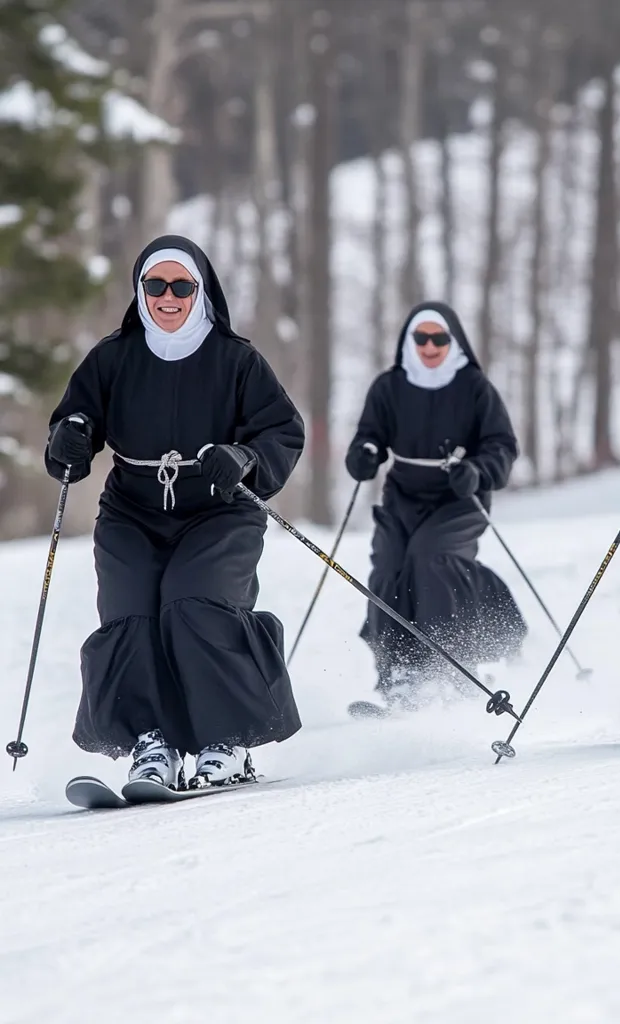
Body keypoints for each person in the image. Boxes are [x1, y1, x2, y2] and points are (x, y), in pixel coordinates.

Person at [44, 234, 305, 788]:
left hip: (219, 508)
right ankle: (151, 743)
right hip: (132, 508)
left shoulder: (237, 359)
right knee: (129, 611)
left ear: (200, 290)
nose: (168, 297)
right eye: (155, 285)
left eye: (181, 286)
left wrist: (245, 457)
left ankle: (226, 743)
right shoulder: (112, 357)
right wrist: (70, 438)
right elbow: (75, 423)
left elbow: (281, 430)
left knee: (194, 602)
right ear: (140, 291)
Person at [344, 301, 527, 708]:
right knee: (389, 565)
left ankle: (449, 669)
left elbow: (502, 445)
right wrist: (365, 453)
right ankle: (399, 675)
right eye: (421, 337)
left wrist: (478, 470)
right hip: (403, 496)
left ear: (453, 340)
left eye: (439, 338)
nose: (430, 346)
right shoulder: (389, 385)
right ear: (409, 341)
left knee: (431, 557)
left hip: (459, 498)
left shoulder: (474, 386)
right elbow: (369, 435)